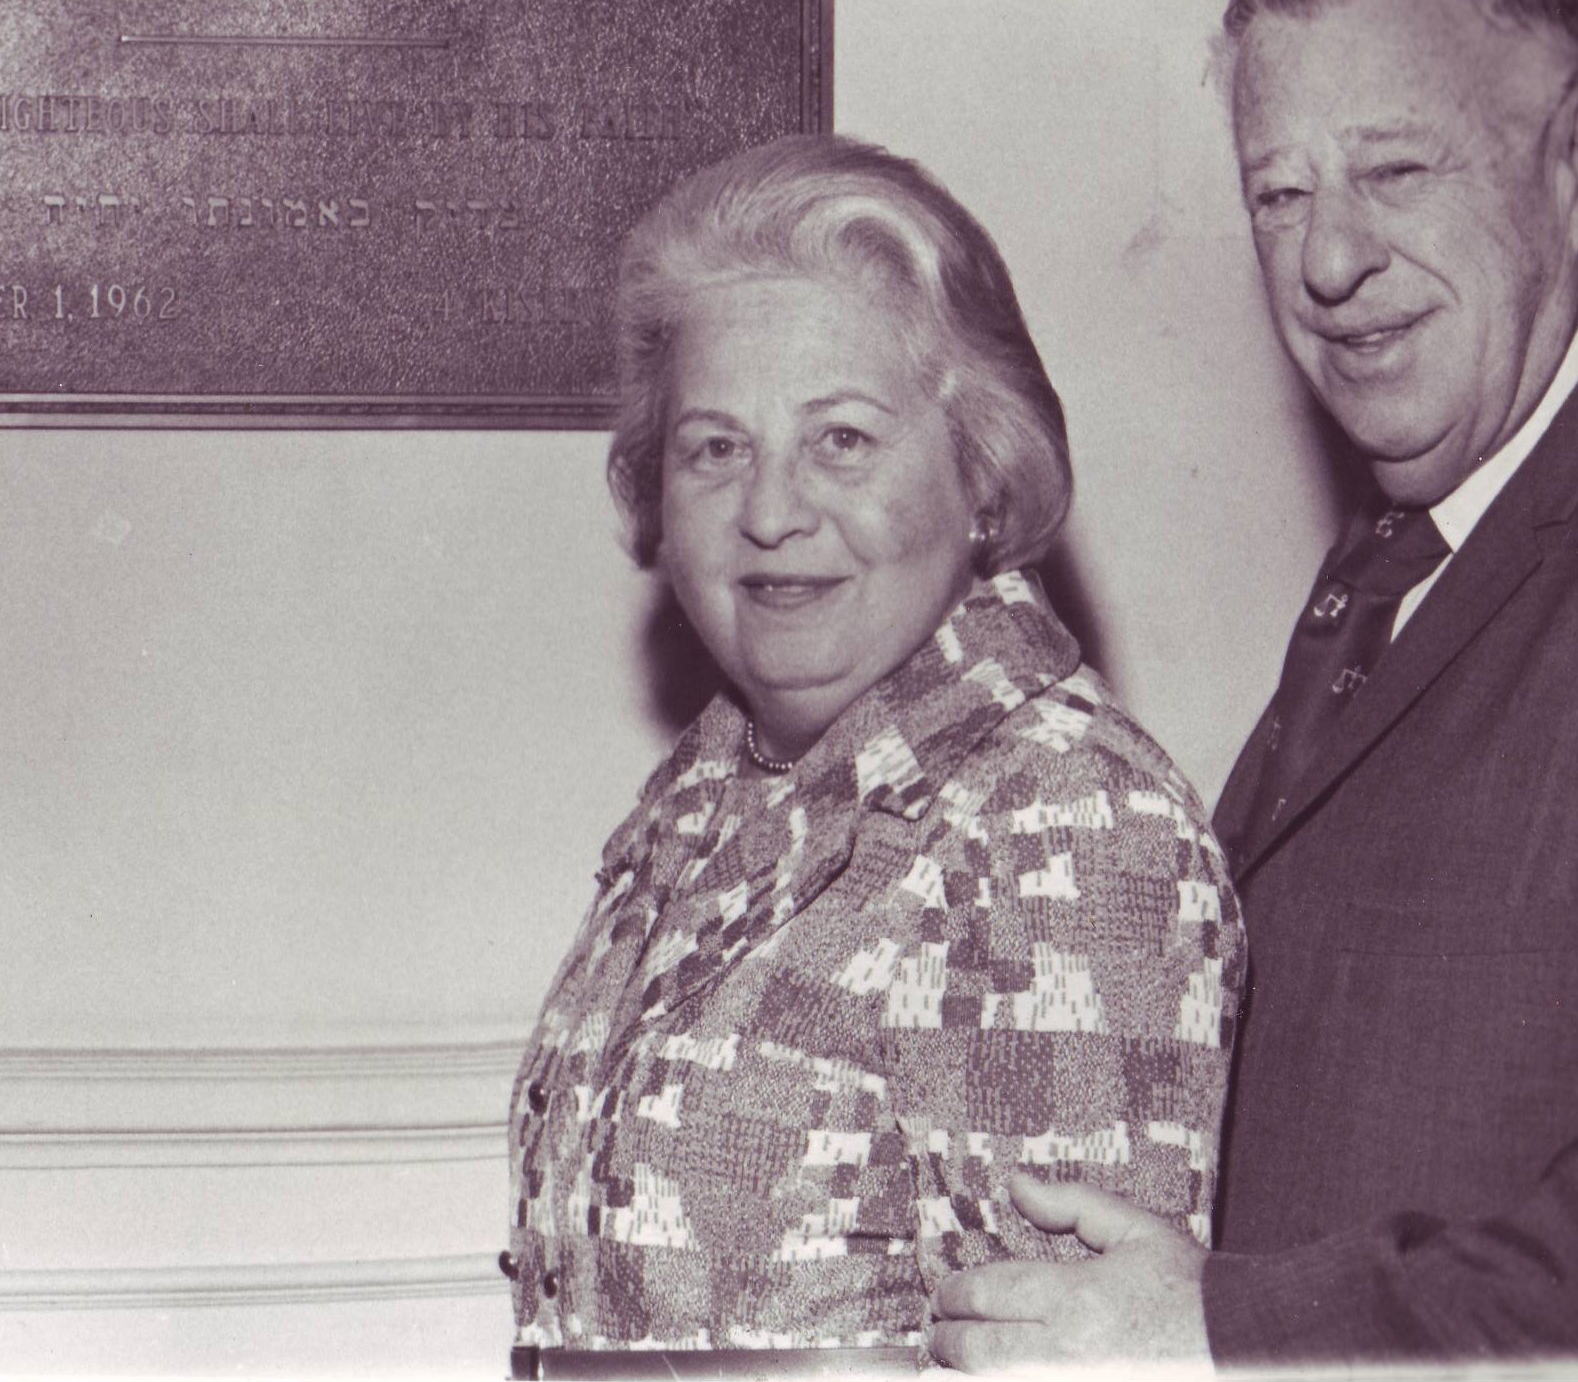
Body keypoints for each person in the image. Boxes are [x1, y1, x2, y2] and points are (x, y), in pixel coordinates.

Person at [930, 0, 1578, 1366]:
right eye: (1275, 192)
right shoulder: (1424, 532)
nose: (1323, 259)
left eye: (1390, 171)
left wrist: (1231, 1323)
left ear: (1575, 168)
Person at [506, 135, 1241, 1372]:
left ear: (984, 478)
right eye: (715, 447)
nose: (772, 511)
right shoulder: (711, 796)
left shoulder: (1063, 822)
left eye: (841, 438)